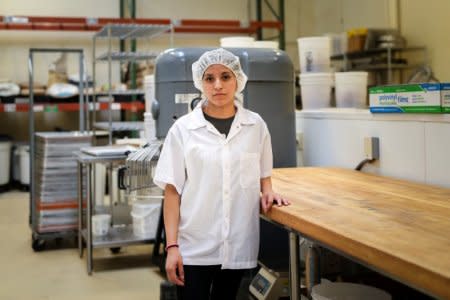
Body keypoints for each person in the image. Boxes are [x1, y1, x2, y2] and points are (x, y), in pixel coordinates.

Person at [153, 48, 290, 300]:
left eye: (225, 76)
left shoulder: (255, 125)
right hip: (194, 246)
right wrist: (172, 247)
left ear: (237, 79)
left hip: (238, 244)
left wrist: (268, 190)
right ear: (200, 83)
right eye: (209, 78)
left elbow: (263, 172)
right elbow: (172, 192)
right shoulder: (183, 130)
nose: (218, 85)